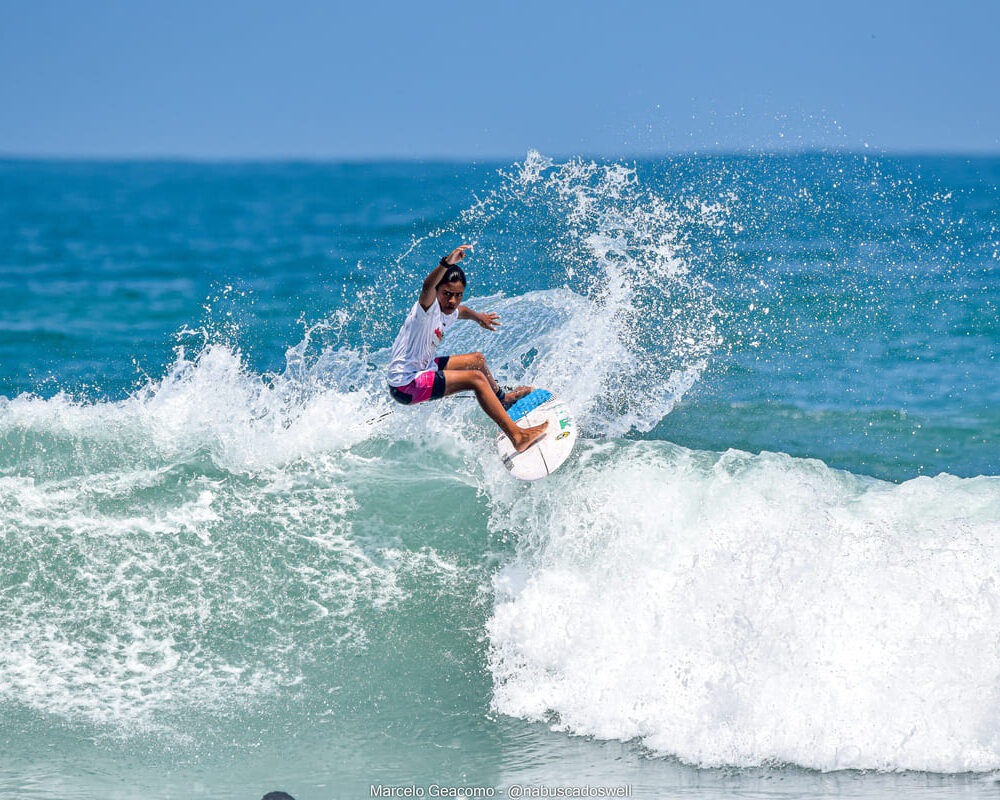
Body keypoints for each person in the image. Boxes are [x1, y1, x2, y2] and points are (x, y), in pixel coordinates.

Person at [387, 245, 548, 453]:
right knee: (475, 379)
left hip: (422, 368)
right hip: (406, 384)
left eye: (458, 295)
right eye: (446, 293)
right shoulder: (426, 310)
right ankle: (518, 437)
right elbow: (427, 287)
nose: (452, 300)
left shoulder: (450, 309)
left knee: (477, 360)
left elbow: (460, 311)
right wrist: (447, 264)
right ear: (437, 292)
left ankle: (503, 400)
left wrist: (478, 317)